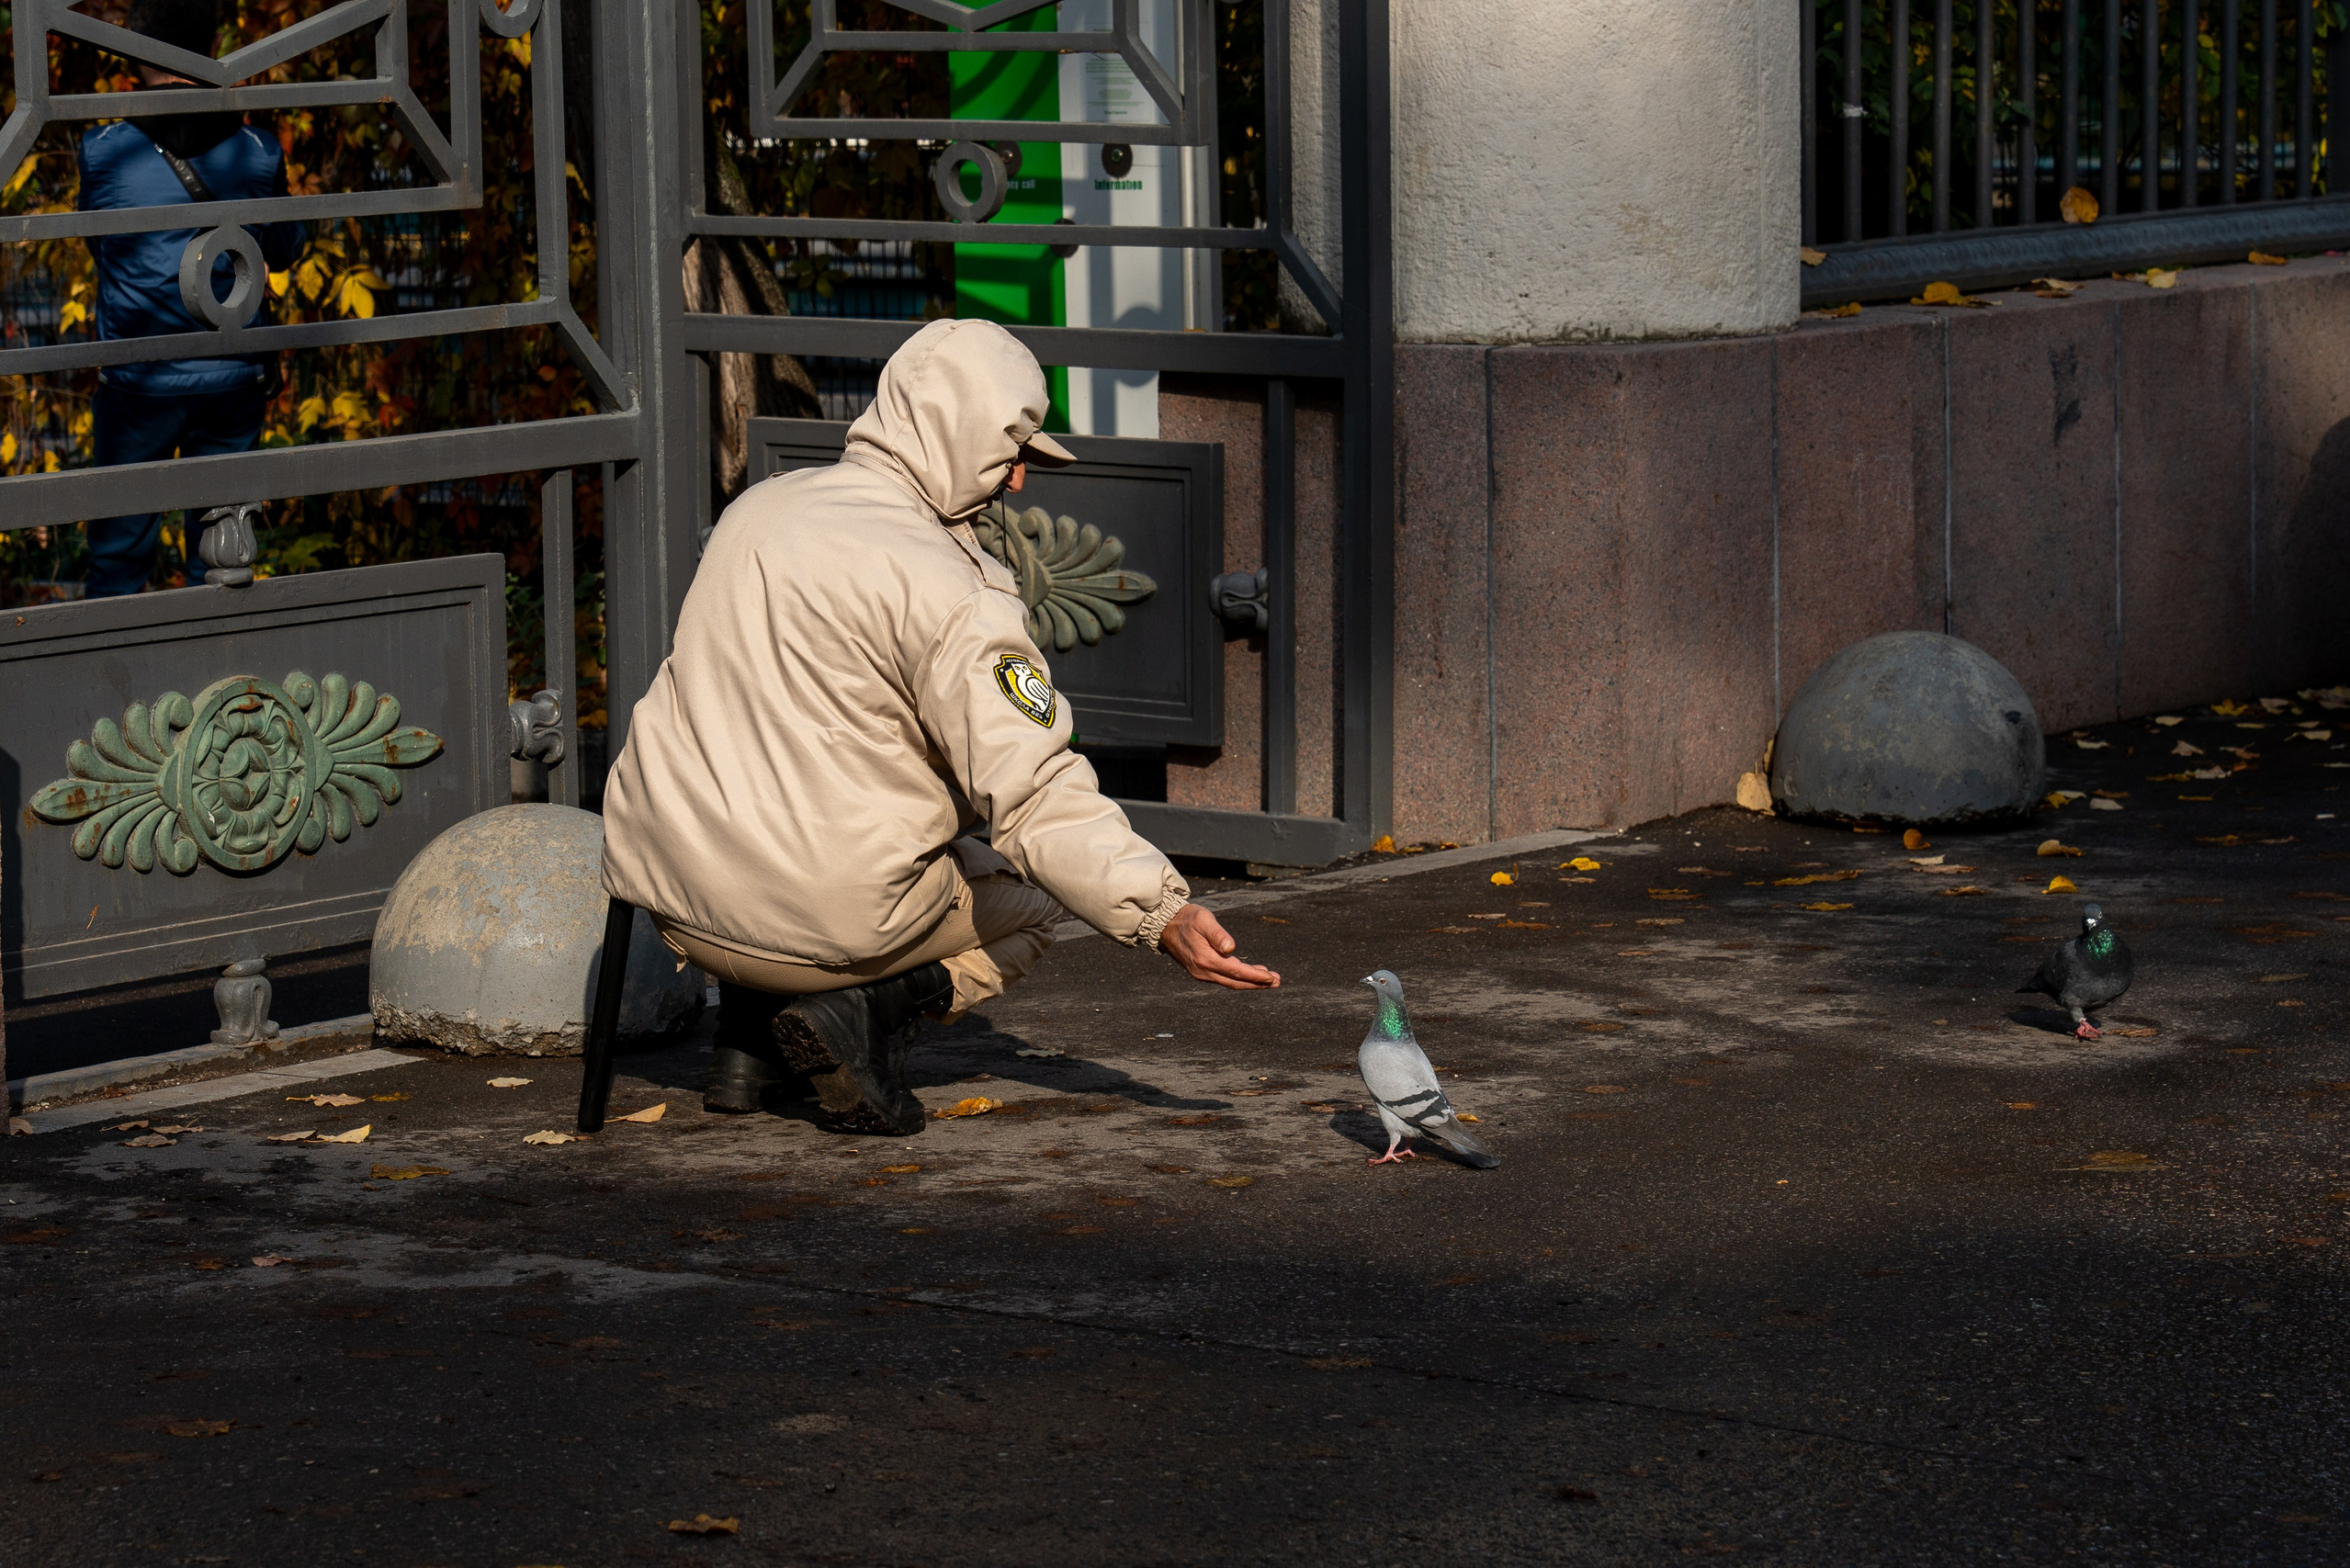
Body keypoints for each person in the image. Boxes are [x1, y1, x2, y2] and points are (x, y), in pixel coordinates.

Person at [600, 317, 1279, 1134]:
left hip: (669, 886)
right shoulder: (957, 590)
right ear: (961, 440)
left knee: (785, 790)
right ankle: (862, 1013)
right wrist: (1160, 910)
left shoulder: (759, 508)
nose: (1021, 481)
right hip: (816, 914)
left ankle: (747, 1046)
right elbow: (1036, 794)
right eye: (1013, 452)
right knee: (1032, 902)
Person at [77, 0, 299, 598]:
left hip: (138, 380)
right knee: (223, 554)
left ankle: (107, 682)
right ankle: (222, 680)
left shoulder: (104, 151)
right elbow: (281, 251)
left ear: (135, 53)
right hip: (232, 374)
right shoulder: (258, 150)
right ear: (210, 48)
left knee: (119, 555)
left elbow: (102, 249)